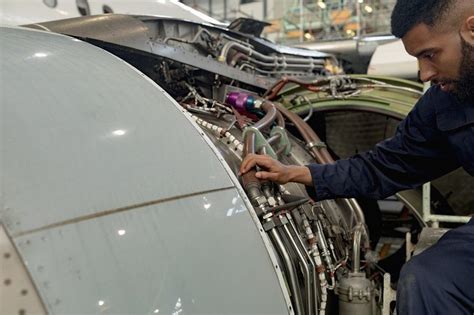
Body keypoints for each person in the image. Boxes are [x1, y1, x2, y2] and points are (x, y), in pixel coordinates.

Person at [239, 0, 474, 313]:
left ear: (471, 29)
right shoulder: (446, 103)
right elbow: (388, 164)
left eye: (430, 54)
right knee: (428, 278)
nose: (424, 73)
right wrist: (298, 173)